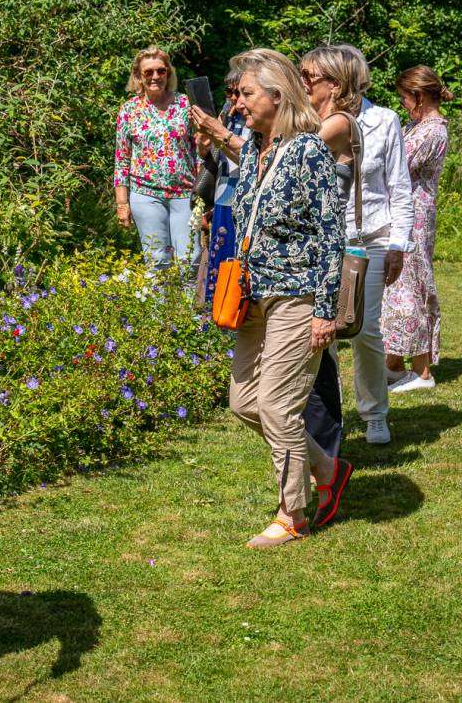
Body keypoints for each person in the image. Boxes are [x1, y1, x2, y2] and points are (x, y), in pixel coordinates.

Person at [227, 48, 349, 547]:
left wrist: (325, 311)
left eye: (248, 94)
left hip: (296, 293)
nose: (240, 103)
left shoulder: (307, 150)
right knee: (243, 403)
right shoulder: (256, 150)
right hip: (253, 295)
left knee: (277, 407)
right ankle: (328, 469)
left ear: (277, 97)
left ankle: (291, 514)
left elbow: (330, 232)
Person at [298, 44, 415, 447]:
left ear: (338, 80)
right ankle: (327, 417)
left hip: (368, 240)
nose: (303, 82)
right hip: (317, 241)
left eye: (309, 76)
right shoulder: (306, 121)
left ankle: (375, 412)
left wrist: (400, 243)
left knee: (363, 331)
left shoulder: (384, 120)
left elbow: (399, 186)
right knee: (317, 334)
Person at [382, 66, 452, 392]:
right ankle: (394, 362)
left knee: (414, 286)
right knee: (396, 289)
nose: (402, 103)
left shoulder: (433, 131)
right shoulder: (416, 126)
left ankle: (422, 370)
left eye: (404, 97)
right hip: (401, 214)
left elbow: (396, 165)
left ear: (419, 96)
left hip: (416, 217)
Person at [114, 46, 198, 270]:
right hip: (146, 195)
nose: (155, 77)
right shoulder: (129, 110)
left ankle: (189, 307)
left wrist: (204, 194)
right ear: (138, 77)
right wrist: (122, 203)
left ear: (168, 73)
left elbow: (200, 150)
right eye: (148, 72)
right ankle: (159, 307)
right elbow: (122, 160)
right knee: (157, 262)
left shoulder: (185, 104)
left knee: (190, 260)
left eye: (161, 71)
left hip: (185, 194)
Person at [189, 69, 251, 301]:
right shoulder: (228, 116)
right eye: (229, 92)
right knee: (219, 261)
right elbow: (212, 158)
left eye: (240, 92)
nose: (234, 98)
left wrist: (219, 135)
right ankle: (217, 320)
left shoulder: (258, 121)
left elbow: (251, 159)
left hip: (243, 196)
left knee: (236, 265)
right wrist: (205, 145)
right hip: (223, 193)